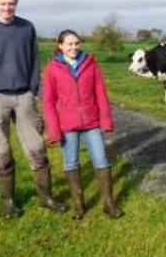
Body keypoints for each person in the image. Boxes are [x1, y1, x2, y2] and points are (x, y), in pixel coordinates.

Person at [0, 0, 66, 218]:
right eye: (2, 3)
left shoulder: (26, 28)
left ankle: (46, 197)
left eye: (11, 3)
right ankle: (8, 202)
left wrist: (32, 90)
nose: (7, 8)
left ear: (16, 4)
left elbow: (34, 61)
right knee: (1, 151)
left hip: (24, 96)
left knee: (37, 148)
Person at [42, 29, 124, 219]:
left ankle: (108, 204)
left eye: (77, 43)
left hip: (91, 123)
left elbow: (100, 93)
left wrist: (106, 121)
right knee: (71, 163)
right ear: (60, 45)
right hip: (67, 125)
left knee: (102, 160)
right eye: (69, 44)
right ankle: (79, 205)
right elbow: (48, 102)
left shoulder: (90, 63)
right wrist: (54, 131)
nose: (74, 47)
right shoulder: (52, 68)